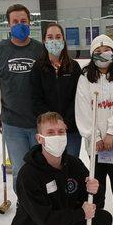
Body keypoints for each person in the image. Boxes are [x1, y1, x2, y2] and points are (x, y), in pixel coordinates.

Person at [0, 4, 44, 192]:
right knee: (20, 170)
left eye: (23, 21)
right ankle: (24, 208)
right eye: (15, 22)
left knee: (41, 168)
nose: (20, 25)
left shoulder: (40, 50)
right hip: (12, 124)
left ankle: (42, 206)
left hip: (39, 123)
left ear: (30, 22)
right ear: (9, 25)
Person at [75, 34, 113, 225]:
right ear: (92, 56)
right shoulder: (85, 78)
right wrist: (96, 136)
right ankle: (99, 210)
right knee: (97, 178)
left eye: (106, 50)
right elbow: (83, 110)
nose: (102, 54)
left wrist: (110, 133)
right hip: (96, 143)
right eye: (97, 52)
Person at [31, 22, 82, 157]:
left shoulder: (74, 67)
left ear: (63, 40)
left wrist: (65, 123)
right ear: (44, 41)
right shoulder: (38, 67)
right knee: (51, 165)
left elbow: (78, 98)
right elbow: (36, 99)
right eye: (50, 37)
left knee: (71, 164)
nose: (54, 40)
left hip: (71, 129)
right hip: (49, 131)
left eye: (58, 37)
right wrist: (52, 123)